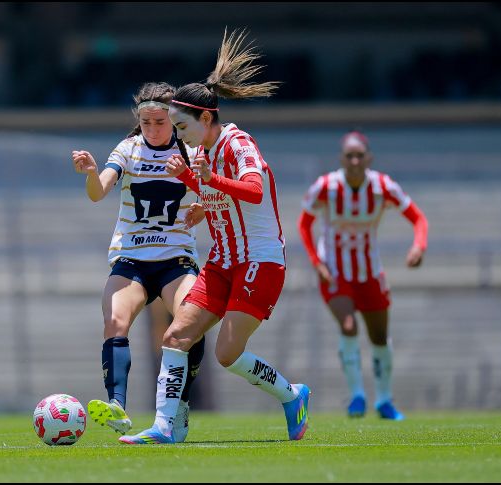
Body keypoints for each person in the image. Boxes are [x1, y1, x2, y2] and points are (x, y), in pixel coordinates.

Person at [119, 28, 310, 445]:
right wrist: (192, 185)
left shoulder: (239, 144)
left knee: (226, 354)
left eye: (181, 125)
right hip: (222, 262)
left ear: (206, 118)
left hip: (260, 261)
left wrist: (209, 181)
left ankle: (292, 395)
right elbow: (220, 193)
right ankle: (167, 426)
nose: (177, 134)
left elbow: (256, 190)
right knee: (175, 336)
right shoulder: (201, 154)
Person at [71, 82, 207, 443]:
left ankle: (179, 406)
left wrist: (203, 206)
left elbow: (214, 192)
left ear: (173, 118)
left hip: (176, 260)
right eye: (146, 122)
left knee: (190, 324)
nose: (152, 129)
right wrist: (89, 173)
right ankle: (117, 406)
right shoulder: (129, 149)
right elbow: (99, 192)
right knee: (115, 320)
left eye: (159, 122)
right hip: (131, 258)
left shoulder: (191, 150)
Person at [297, 130, 428, 420]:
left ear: (369, 158)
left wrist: (418, 247)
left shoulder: (383, 187)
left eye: (360, 155)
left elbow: (418, 218)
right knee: (347, 324)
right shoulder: (326, 187)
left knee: (379, 336)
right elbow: (304, 224)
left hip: (369, 271)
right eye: (349, 156)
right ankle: (356, 395)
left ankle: (384, 400)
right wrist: (316, 262)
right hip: (335, 271)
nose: (355, 161)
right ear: (341, 159)